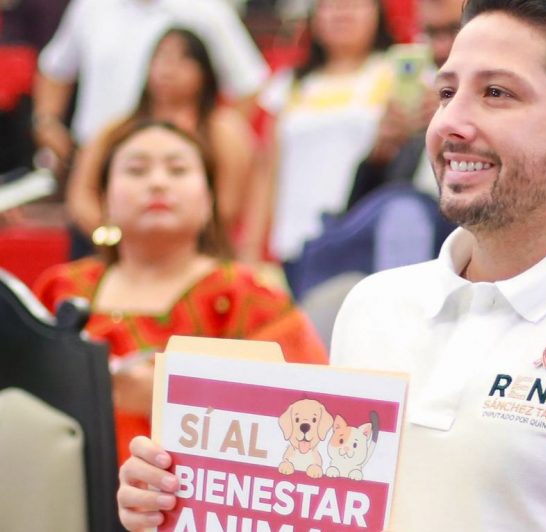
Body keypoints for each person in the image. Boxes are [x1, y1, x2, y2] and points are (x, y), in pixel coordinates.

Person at [117, 1, 546, 530]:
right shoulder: (372, 308)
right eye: (446, 93)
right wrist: (184, 500)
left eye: (497, 93)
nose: (450, 124)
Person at [33, 119, 328, 464]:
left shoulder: (247, 296)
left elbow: (313, 411)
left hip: (196, 492)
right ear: (105, 198)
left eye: (178, 169)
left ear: (209, 200)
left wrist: (171, 397)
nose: (157, 182)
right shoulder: (61, 288)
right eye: (136, 170)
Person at [65, 28, 255, 252]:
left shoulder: (223, 131)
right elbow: (82, 195)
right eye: (162, 57)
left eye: (183, 59)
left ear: (204, 72)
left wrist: (174, 243)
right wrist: (113, 238)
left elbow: (228, 206)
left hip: (200, 251)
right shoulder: (117, 130)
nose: (168, 69)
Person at [240, 0, 394, 265]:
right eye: (329, 5)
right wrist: (250, 248)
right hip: (295, 244)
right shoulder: (289, 84)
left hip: (371, 241)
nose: (342, 11)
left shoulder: (398, 72)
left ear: (378, 13)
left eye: (355, 4)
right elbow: (267, 169)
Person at [32, 0, 268, 170]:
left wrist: (211, 145)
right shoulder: (91, 6)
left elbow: (249, 85)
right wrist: (47, 122)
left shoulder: (206, 9)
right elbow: (55, 69)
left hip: (173, 169)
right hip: (95, 160)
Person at [345, 0, 465, 208]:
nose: (440, 49)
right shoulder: (417, 102)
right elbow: (358, 217)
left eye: (454, 31)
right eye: (430, 33)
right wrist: (379, 159)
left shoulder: (510, 102)